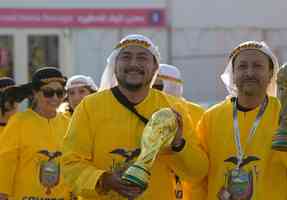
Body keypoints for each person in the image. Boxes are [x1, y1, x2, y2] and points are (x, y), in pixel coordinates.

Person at [62, 34, 208, 200]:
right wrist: (103, 179)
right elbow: (70, 164)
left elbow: (197, 172)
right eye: (126, 57)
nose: (133, 64)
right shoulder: (90, 107)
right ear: (115, 66)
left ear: (154, 68)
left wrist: (179, 144)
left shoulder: (173, 109)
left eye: (142, 57)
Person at [198, 41, 287, 199]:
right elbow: (199, 180)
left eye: (257, 66)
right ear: (233, 74)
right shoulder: (210, 118)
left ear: (271, 73)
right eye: (242, 66)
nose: (249, 73)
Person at [0, 67, 71, 200]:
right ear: (35, 93)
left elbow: (74, 164)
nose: (55, 98)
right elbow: (6, 163)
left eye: (60, 93)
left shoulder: (69, 124)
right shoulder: (19, 122)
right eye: (48, 93)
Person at [153, 63, 206, 200]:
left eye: (158, 86)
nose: (153, 91)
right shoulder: (144, 111)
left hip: (190, 188)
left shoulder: (197, 112)